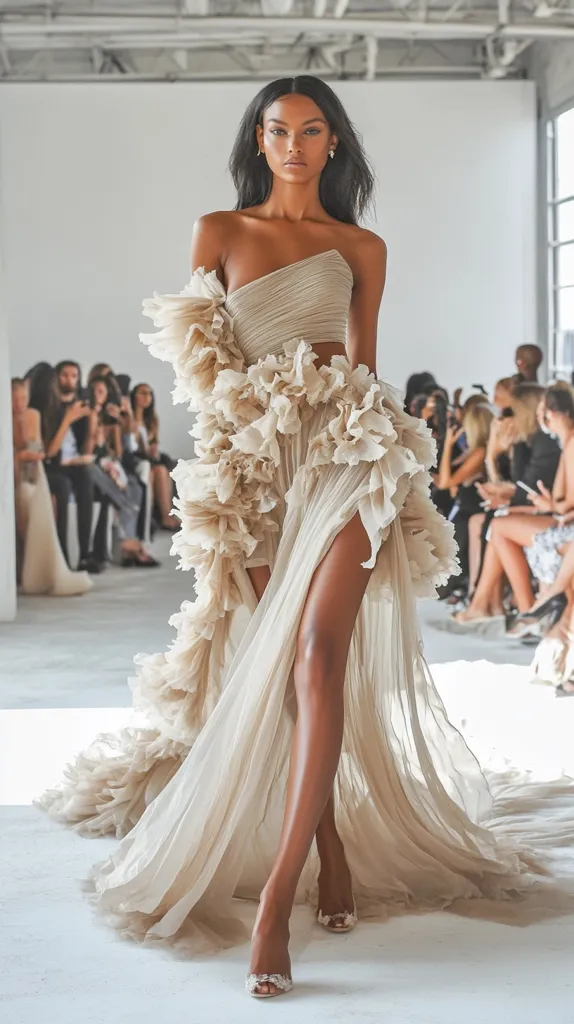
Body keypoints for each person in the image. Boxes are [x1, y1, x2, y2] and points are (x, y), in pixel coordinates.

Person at [39, 77, 567, 999]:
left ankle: (280, 896)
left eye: (311, 130)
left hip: (352, 459)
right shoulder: (219, 232)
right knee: (284, 665)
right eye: (276, 129)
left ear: (334, 144)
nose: (292, 144)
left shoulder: (360, 245)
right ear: (259, 139)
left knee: (321, 652)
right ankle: (325, 839)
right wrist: (226, 486)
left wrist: (396, 461)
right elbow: (207, 373)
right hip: (256, 471)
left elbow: (367, 363)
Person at [11, 378, 92, 596]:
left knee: (35, 496)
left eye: (23, 399)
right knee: (26, 497)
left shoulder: (33, 415)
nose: (19, 403)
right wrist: (19, 453)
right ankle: (22, 568)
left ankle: (44, 565)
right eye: (15, 399)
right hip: (13, 477)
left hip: (33, 474)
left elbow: (39, 450)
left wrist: (26, 443)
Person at [130, 382, 178, 531]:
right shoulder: (129, 418)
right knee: (154, 472)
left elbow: (153, 444)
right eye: (142, 393)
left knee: (162, 470)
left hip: (149, 459)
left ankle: (166, 516)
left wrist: (152, 450)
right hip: (133, 458)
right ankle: (152, 518)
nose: (147, 397)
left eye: (149, 393)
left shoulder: (152, 420)